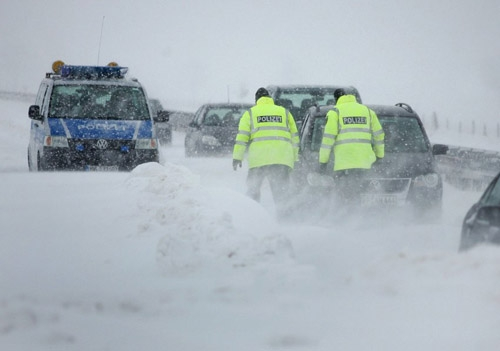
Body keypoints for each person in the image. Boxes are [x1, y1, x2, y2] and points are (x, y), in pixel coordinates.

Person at [233, 87, 299, 216]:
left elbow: (242, 137)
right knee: (281, 194)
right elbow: (295, 137)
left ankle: (254, 218)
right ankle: (286, 221)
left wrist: (237, 157)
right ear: (270, 98)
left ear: (257, 100)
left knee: (253, 191)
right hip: (281, 159)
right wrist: (295, 158)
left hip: (258, 160)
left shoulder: (251, 113)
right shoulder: (284, 112)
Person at [319, 88, 384, 202]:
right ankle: (361, 214)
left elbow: (328, 139)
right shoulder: (368, 111)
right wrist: (379, 155)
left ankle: (347, 214)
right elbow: (379, 135)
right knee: (362, 194)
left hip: (344, 163)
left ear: (336, 99)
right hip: (365, 162)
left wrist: (323, 162)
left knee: (344, 195)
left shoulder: (335, 112)